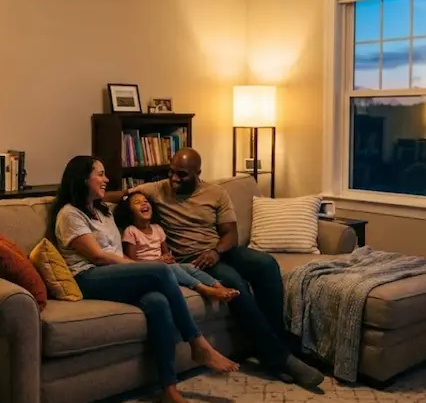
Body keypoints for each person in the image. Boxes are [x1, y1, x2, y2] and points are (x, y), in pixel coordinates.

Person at [107, 148, 325, 388]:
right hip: (192, 259)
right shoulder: (157, 189)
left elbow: (231, 233)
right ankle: (279, 359)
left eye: (182, 175)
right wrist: (94, 193)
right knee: (235, 283)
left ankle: (277, 346)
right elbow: (120, 195)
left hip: (220, 250)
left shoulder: (216, 193)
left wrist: (217, 251)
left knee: (266, 264)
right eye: (171, 172)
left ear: (197, 174)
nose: (174, 179)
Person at [47, 155, 239, 403]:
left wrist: (132, 262)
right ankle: (198, 343)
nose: (106, 179)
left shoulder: (101, 209)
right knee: (160, 270)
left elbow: (128, 205)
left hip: (115, 275)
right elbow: (98, 256)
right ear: (82, 179)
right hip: (89, 278)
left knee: (158, 303)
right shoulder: (70, 213)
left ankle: (169, 389)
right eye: (100, 174)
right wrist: (133, 265)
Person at [113, 191, 240, 303]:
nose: (143, 203)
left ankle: (218, 286)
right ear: (129, 212)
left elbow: (167, 254)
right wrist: (157, 262)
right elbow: (131, 263)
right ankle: (205, 289)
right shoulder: (131, 231)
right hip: (147, 269)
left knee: (191, 267)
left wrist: (169, 258)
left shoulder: (158, 229)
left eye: (145, 201)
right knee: (172, 268)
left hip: (164, 266)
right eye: (137, 202)